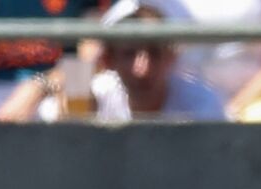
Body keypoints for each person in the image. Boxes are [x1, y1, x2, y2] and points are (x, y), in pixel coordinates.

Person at [90, 1, 229, 121]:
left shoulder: (203, 106)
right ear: (108, 59)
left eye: (155, 53)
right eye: (129, 54)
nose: (143, 70)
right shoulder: (95, 98)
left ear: (171, 57)